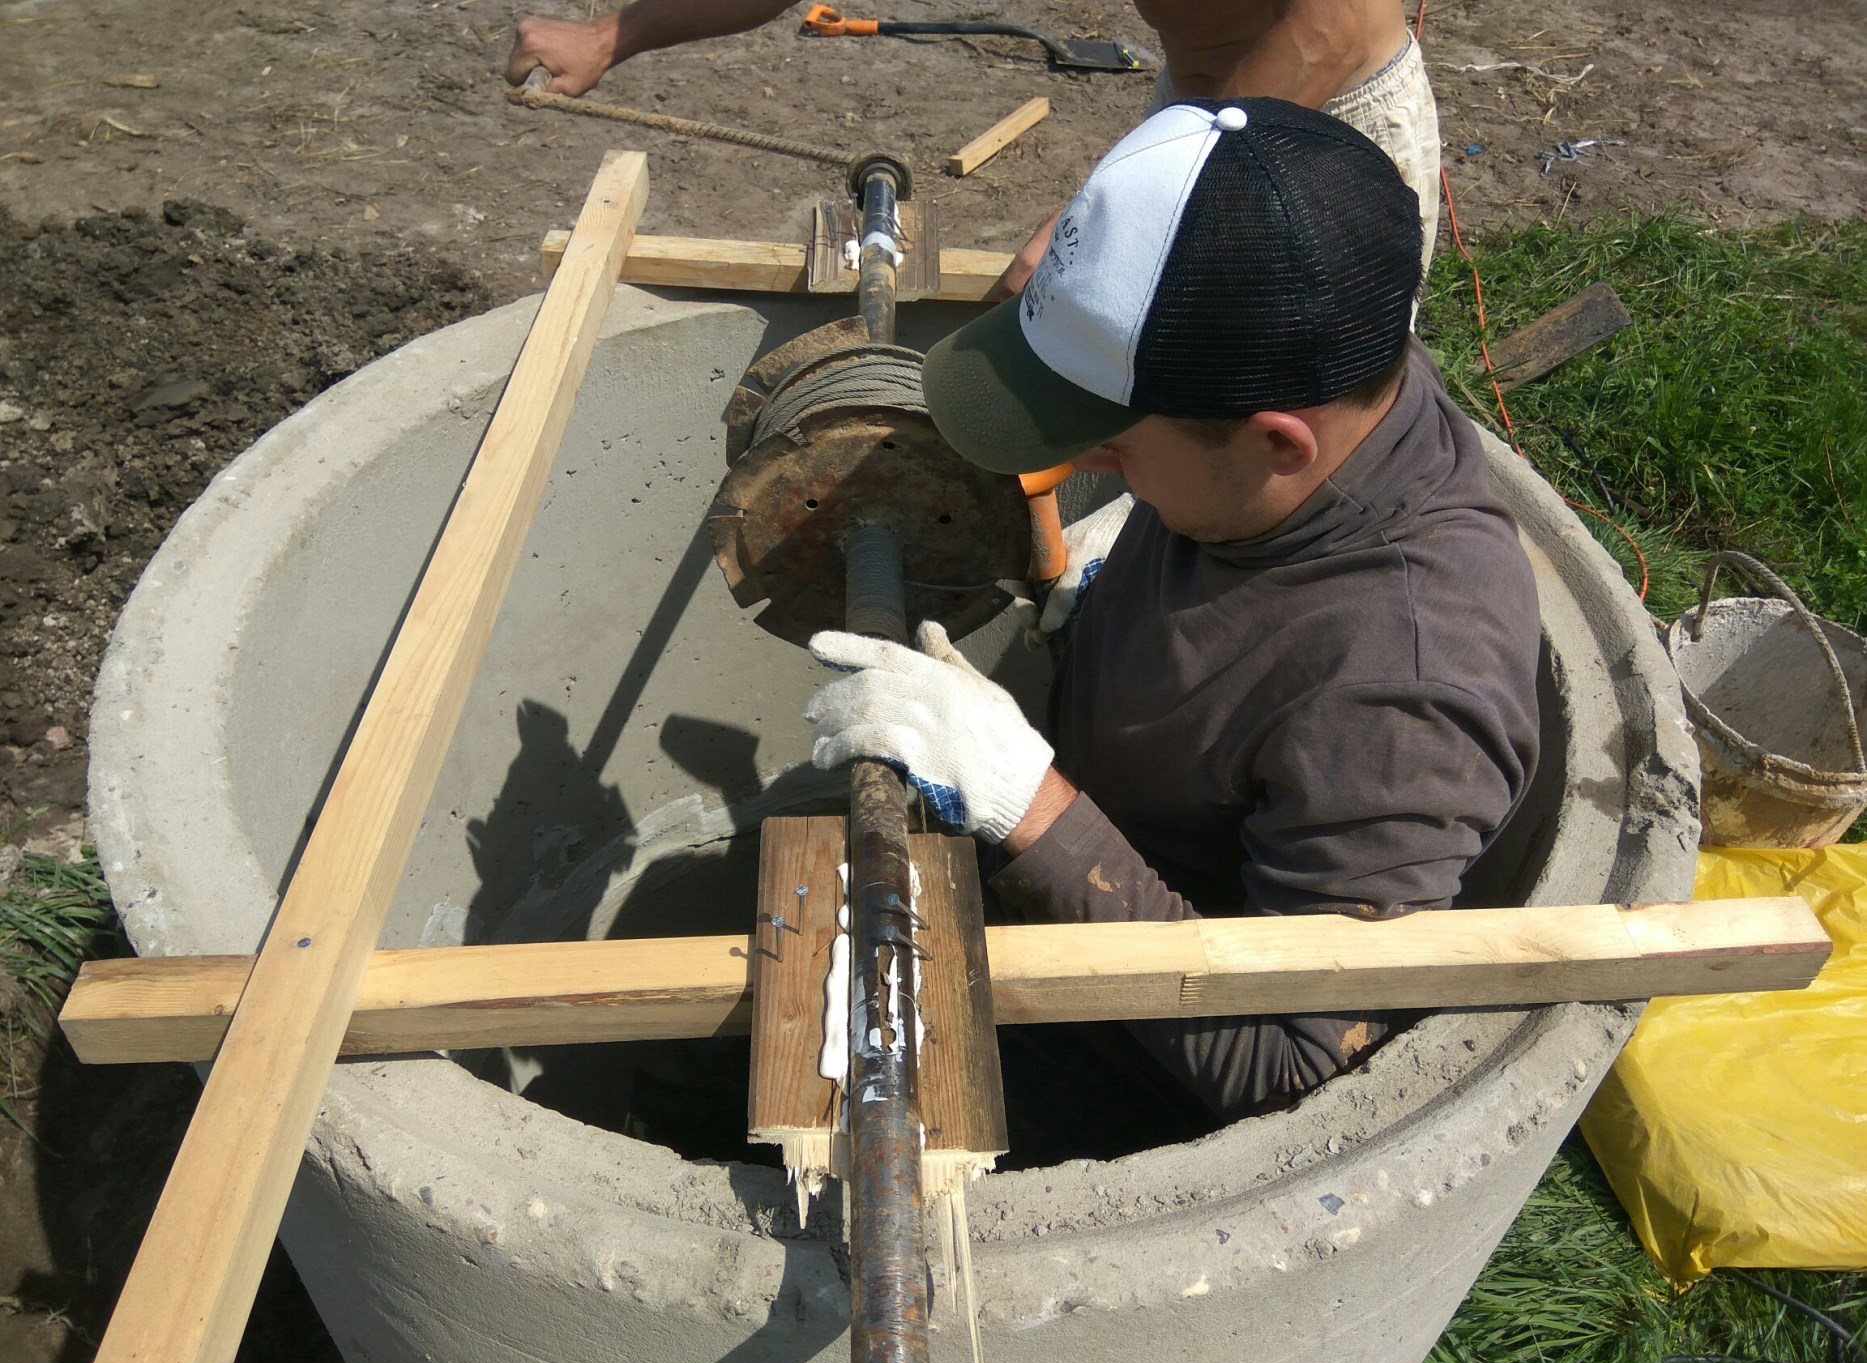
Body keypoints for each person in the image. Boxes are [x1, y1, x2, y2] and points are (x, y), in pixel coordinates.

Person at [801, 98, 1541, 1119]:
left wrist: (1032, 807)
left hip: (1142, 1064)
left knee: (792, 1102)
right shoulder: (1319, 399)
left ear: (1280, 446)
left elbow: (1288, 1061)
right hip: (1077, 897)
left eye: (1114, 449)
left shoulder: (1400, 696)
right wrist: (1099, 597)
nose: (1089, 466)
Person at [503, 2, 1440, 285]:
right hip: (1194, 108)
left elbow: (1339, 17)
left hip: (1325, 116)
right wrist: (616, 35)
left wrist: (1113, 206)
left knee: (1292, 439)